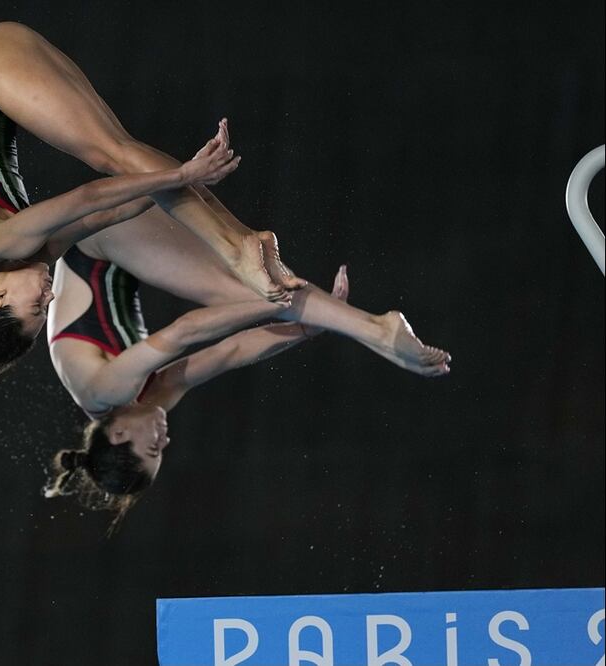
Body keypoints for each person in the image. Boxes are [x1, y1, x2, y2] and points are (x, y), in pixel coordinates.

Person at [0, 23, 306, 454]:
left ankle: (239, 247)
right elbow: (111, 212)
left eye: (35, 305)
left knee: (110, 154)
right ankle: (243, 241)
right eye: (45, 309)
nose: (50, 299)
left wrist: (182, 175)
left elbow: (87, 195)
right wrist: (170, 184)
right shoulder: (24, 257)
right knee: (124, 156)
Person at [41, 207, 450, 527]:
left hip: (98, 237)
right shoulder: (146, 404)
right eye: (162, 452)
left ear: (118, 433)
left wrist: (271, 304)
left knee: (247, 290)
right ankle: (364, 327)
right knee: (258, 278)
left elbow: (187, 331)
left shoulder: (102, 392)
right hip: (127, 245)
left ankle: (376, 329)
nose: (164, 440)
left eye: (152, 447)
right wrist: (306, 329)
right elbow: (230, 352)